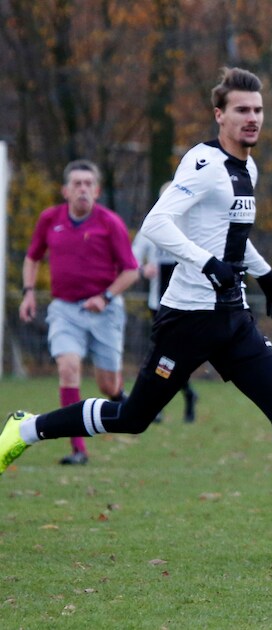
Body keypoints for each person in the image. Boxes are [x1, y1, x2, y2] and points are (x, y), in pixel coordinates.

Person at [0, 67, 272, 559]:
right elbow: (156, 223)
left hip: (233, 319)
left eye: (258, 110)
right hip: (188, 320)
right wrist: (207, 263)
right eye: (241, 110)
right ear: (220, 115)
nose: (252, 118)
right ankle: (25, 428)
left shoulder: (249, 169)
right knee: (133, 417)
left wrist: (264, 273)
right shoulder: (203, 163)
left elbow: (230, 237)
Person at [18, 159, 141, 466]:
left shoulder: (109, 222)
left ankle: (123, 400)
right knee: (68, 367)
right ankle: (78, 449)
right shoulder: (50, 219)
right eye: (77, 184)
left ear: (97, 191)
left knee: (107, 386)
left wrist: (105, 297)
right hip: (65, 309)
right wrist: (29, 292)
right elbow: (32, 258)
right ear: (65, 190)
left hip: (105, 310)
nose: (82, 189)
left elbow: (131, 271)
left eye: (88, 184)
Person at [132, 189, 200, 424]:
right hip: (159, 305)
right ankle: (175, 398)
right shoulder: (152, 227)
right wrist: (143, 269)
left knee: (172, 358)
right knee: (163, 357)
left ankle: (177, 397)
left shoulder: (191, 229)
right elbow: (132, 258)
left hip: (187, 305)